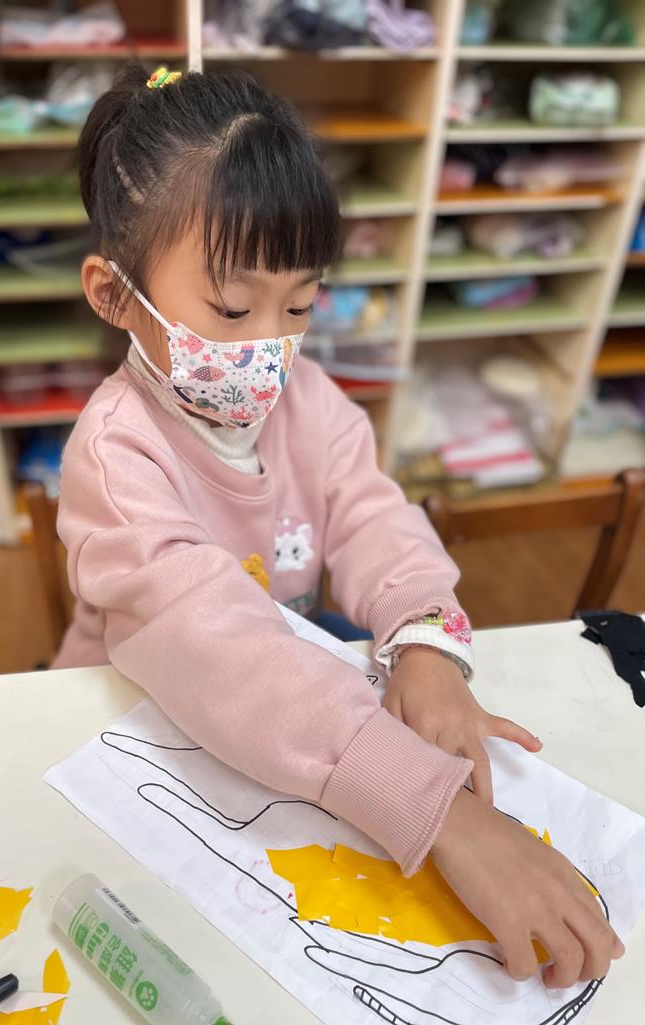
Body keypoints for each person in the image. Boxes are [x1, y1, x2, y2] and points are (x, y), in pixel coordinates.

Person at [54, 62, 624, 987]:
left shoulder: (307, 396)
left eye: (299, 305)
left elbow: (371, 517)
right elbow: (217, 650)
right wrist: (442, 812)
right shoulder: (116, 458)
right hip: (130, 719)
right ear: (116, 295)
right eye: (231, 308)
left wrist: (423, 642)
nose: (268, 345)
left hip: (291, 715)